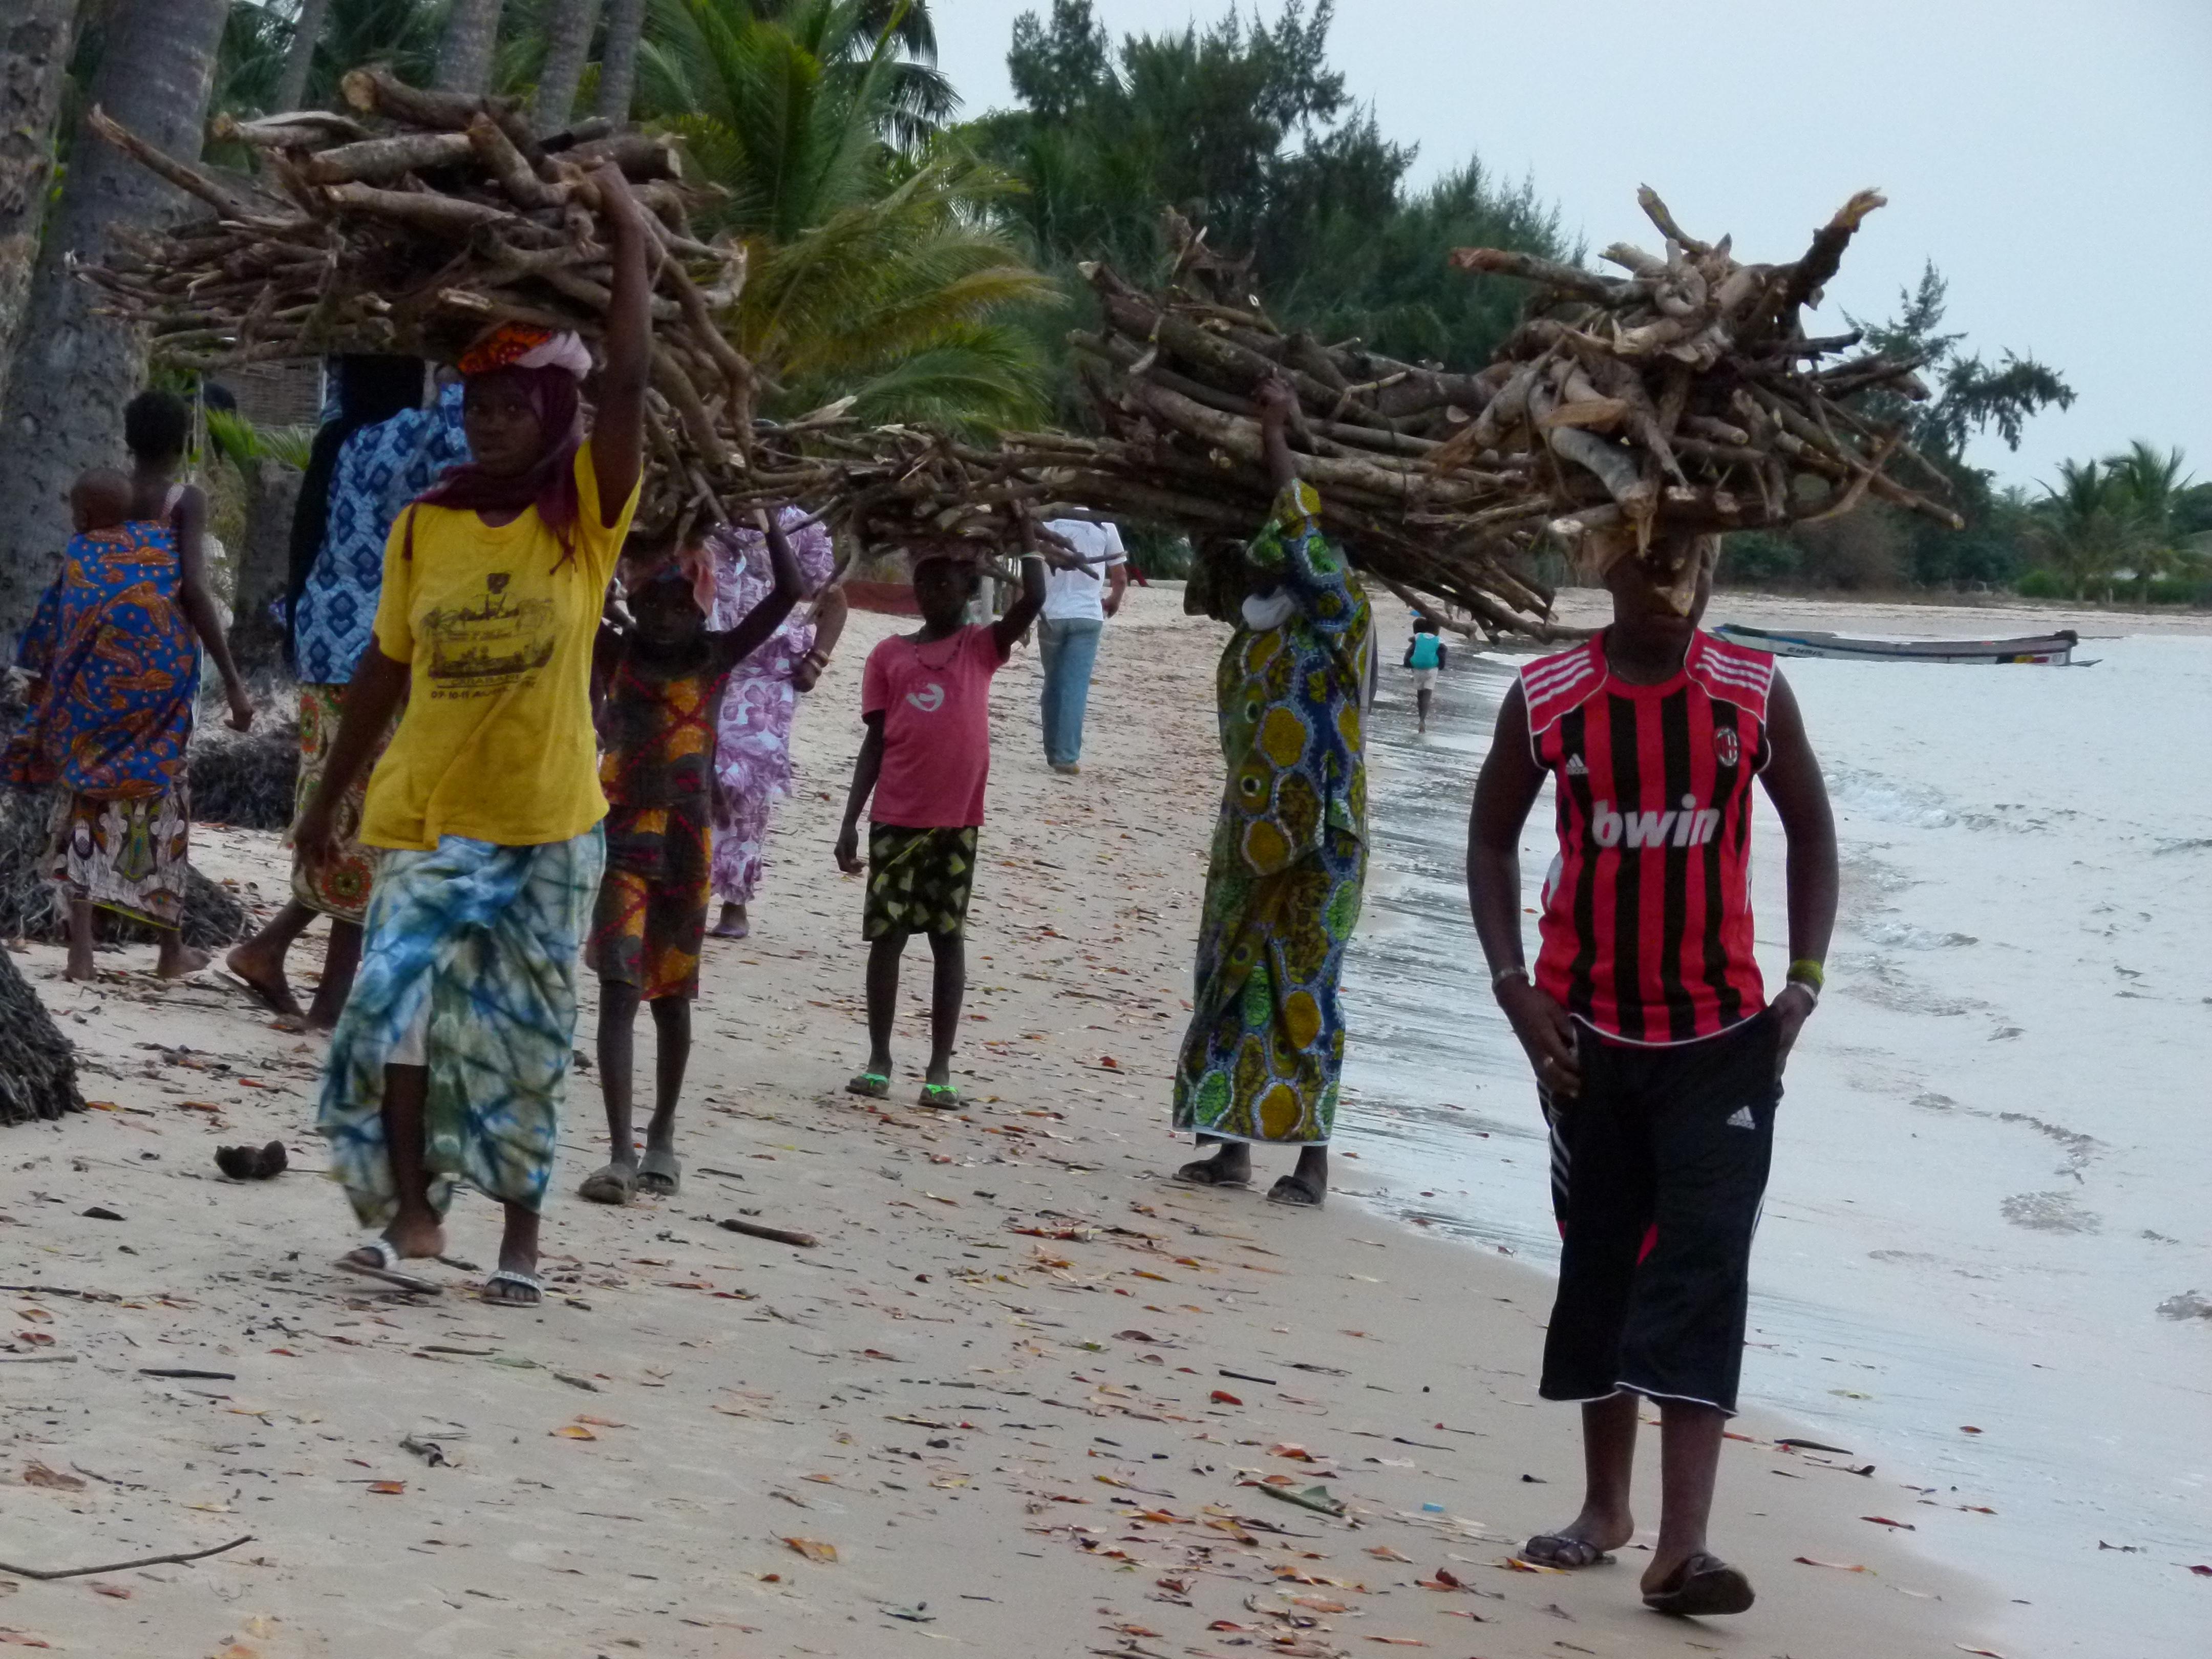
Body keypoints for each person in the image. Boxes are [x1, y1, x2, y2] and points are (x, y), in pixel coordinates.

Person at [1464, 526, 1837, 1618]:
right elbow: (1490, 842)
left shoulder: (1751, 693)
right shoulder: (1549, 698)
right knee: (1604, 1260)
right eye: (1650, 560)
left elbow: (1812, 833)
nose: (1673, 582)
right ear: (1604, 565)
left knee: (1704, 1266)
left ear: (1715, 570)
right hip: (1586, 1041)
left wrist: (1803, 983)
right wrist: (1511, 986)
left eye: (1692, 560)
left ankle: (1685, 1549)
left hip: (1723, 1042)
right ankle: (1604, 1511)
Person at [297, 163, 652, 1308]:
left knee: (521, 1035)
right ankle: (412, 1218)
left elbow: (635, 380)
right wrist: (325, 798)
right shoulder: (427, 524)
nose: (494, 425)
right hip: (429, 815)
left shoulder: (583, 521)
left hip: (546, 825)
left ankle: (520, 1238)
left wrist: (630, 238)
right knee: (395, 1017)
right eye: (481, 408)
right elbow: (383, 668)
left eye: (515, 408)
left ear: (553, 414)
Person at [1172, 378, 1372, 1207]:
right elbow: (1217, 570)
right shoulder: (1249, 644)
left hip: (1321, 838)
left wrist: (1275, 431)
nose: (1253, 553)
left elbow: (1296, 518)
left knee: (1302, 990)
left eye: (1265, 544)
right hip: (1246, 837)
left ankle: (1312, 1164)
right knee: (1226, 979)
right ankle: (1227, 1146)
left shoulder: (1338, 613)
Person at [226, 356, 469, 1027]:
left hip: (327, 644)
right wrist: (460, 360)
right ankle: (324, 998)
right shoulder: (407, 437)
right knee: (368, 828)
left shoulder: (338, 438)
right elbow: (465, 425)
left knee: (348, 816)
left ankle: (271, 949)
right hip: (380, 658)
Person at [578, 517, 803, 1204]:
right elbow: (578, 586)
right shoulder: (614, 652)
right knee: (619, 990)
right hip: (618, 840)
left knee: (671, 997)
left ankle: (663, 1138)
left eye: (682, 606)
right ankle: (619, 1152)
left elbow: (790, 589)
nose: (667, 618)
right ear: (631, 601)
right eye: (653, 604)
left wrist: (759, 515)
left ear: (701, 608)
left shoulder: (716, 656)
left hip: (685, 847)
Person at [3, 397, 255, 981]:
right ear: (186, 440)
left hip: (93, 673)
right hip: (160, 674)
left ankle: (82, 953)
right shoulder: (181, 500)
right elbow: (193, 588)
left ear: (126, 436)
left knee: (86, 796)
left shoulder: (100, 502)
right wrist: (235, 683)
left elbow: (76, 584)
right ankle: (169, 950)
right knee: (165, 797)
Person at [834, 523, 1052, 1109]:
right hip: (895, 818)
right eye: (925, 580)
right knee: (887, 938)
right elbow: (875, 744)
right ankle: (879, 1058)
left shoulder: (982, 647)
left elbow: (1033, 597)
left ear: (968, 585)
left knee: (946, 938)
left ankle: (939, 1069)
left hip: (955, 823)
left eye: (947, 580)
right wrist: (850, 819)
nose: (933, 590)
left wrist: (1026, 528)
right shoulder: (888, 655)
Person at [701, 507, 846, 941]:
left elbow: (833, 599)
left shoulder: (803, 526)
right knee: (695, 774)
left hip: (765, 675)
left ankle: (735, 900)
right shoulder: (704, 514)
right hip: (704, 662)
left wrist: (817, 661)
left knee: (745, 784)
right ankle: (687, 890)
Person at [1035, 516, 1126, 774]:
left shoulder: (1047, 523)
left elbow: (1032, 567)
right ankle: (1066, 756)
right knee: (1075, 686)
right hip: (1087, 615)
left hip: (1051, 615)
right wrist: (1114, 600)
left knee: (1053, 682)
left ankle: (1053, 750)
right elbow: (1119, 576)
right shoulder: (1105, 524)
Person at [1403, 615, 1448, 734]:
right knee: (1428, 693)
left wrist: (1408, 663)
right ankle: (1423, 720)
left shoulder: (1418, 637)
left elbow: (1410, 645)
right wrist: (1441, 666)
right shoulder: (1439, 640)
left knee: (1420, 694)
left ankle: (1420, 717)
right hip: (1432, 669)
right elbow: (1443, 653)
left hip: (1418, 668)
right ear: (1437, 630)